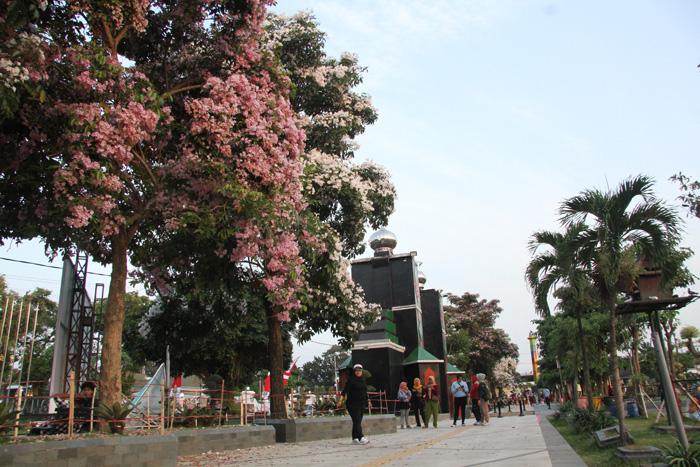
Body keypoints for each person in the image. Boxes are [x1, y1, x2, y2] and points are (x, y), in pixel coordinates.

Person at [337, 364, 372, 445]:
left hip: (361, 404)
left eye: (360, 370)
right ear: (354, 371)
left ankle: (355, 438)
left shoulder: (363, 380)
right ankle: (361, 437)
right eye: (356, 370)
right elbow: (344, 390)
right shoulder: (351, 380)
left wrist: (369, 401)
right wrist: (340, 400)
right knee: (357, 420)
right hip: (352, 404)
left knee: (357, 421)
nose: (358, 372)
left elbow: (365, 392)